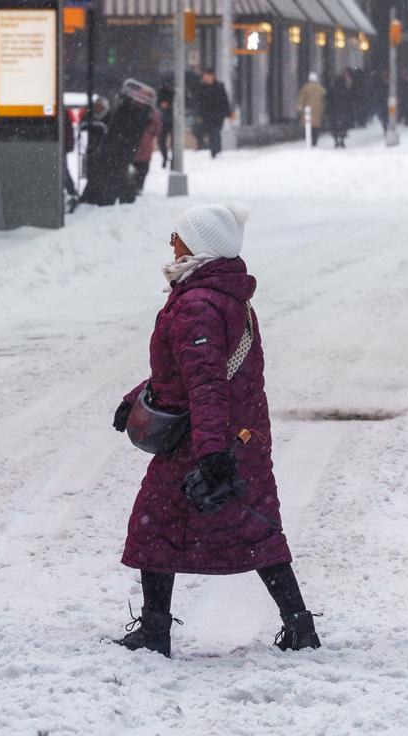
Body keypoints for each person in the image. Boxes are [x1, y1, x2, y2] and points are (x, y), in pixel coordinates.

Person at [111, 203, 317, 657]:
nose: (171, 242)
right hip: (239, 433)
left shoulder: (197, 304)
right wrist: (138, 397)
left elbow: (205, 384)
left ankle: (154, 631)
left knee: (155, 525)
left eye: (178, 235)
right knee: (256, 526)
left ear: (198, 244)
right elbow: (195, 370)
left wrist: (210, 455)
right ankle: (299, 625)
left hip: (205, 438)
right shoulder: (223, 294)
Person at [125, 81, 163, 202]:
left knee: (133, 166)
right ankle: (138, 187)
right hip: (144, 144)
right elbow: (158, 128)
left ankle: (132, 186)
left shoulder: (131, 108)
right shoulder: (152, 112)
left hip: (133, 144)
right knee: (143, 167)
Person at [193, 69, 232, 158]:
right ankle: (214, 149)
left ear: (212, 76)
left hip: (218, 114)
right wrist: (198, 113)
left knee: (216, 132)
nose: (206, 78)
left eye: (207, 76)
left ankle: (216, 149)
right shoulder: (201, 87)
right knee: (211, 132)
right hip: (207, 114)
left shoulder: (219, 86)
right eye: (205, 76)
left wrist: (227, 113)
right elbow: (198, 102)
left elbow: (224, 100)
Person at [296, 72, 327, 146]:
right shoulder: (320, 88)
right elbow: (324, 98)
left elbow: (301, 98)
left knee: (308, 125)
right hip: (318, 110)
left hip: (308, 109)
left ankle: (309, 139)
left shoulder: (306, 88)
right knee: (316, 126)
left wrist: (299, 106)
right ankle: (314, 140)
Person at [326, 70, 355, 149]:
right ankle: (342, 141)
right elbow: (349, 100)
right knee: (343, 126)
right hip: (344, 110)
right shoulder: (345, 90)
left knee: (334, 126)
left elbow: (328, 100)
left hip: (334, 111)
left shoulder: (332, 90)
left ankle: (336, 141)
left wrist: (328, 110)